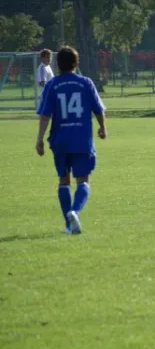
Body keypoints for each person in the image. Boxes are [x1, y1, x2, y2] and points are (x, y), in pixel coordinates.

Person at [36, 46, 107, 234]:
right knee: (83, 180)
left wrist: (40, 139)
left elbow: (45, 115)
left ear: (57, 64)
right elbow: (98, 109)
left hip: (60, 140)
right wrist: (102, 127)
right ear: (77, 63)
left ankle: (69, 225)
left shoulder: (52, 85)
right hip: (82, 139)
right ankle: (74, 212)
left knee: (63, 180)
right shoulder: (86, 83)